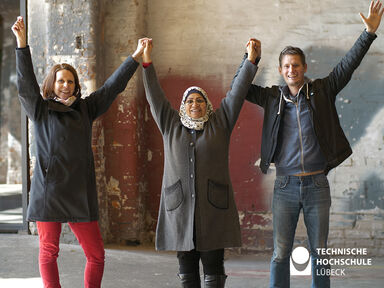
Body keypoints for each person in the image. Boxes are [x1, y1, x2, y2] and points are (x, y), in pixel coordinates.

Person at [231, 1, 383, 287]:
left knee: (320, 253)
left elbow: (347, 66)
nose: (291, 70)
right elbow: (238, 89)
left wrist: (368, 33)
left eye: (296, 65)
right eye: (286, 66)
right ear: (280, 69)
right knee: (280, 254)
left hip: (316, 185)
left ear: (304, 67)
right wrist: (249, 59)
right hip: (285, 186)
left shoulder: (322, 91)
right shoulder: (272, 98)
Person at [12, 16, 148, 288]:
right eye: (61, 81)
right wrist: (22, 45)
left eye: (71, 82)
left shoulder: (86, 108)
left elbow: (112, 87)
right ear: (52, 84)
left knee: (96, 255)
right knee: (49, 252)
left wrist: (135, 57)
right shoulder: (40, 110)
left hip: (79, 193)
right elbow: (26, 84)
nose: (66, 85)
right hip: (48, 192)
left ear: (76, 86)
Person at [141, 38, 259, 287]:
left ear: (207, 105)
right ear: (183, 106)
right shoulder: (170, 125)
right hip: (180, 208)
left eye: (200, 100)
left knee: (214, 269)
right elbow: (154, 96)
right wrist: (147, 61)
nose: (195, 104)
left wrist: (250, 60)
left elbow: (236, 93)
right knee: (187, 270)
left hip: (213, 208)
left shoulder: (220, 123)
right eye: (190, 101)